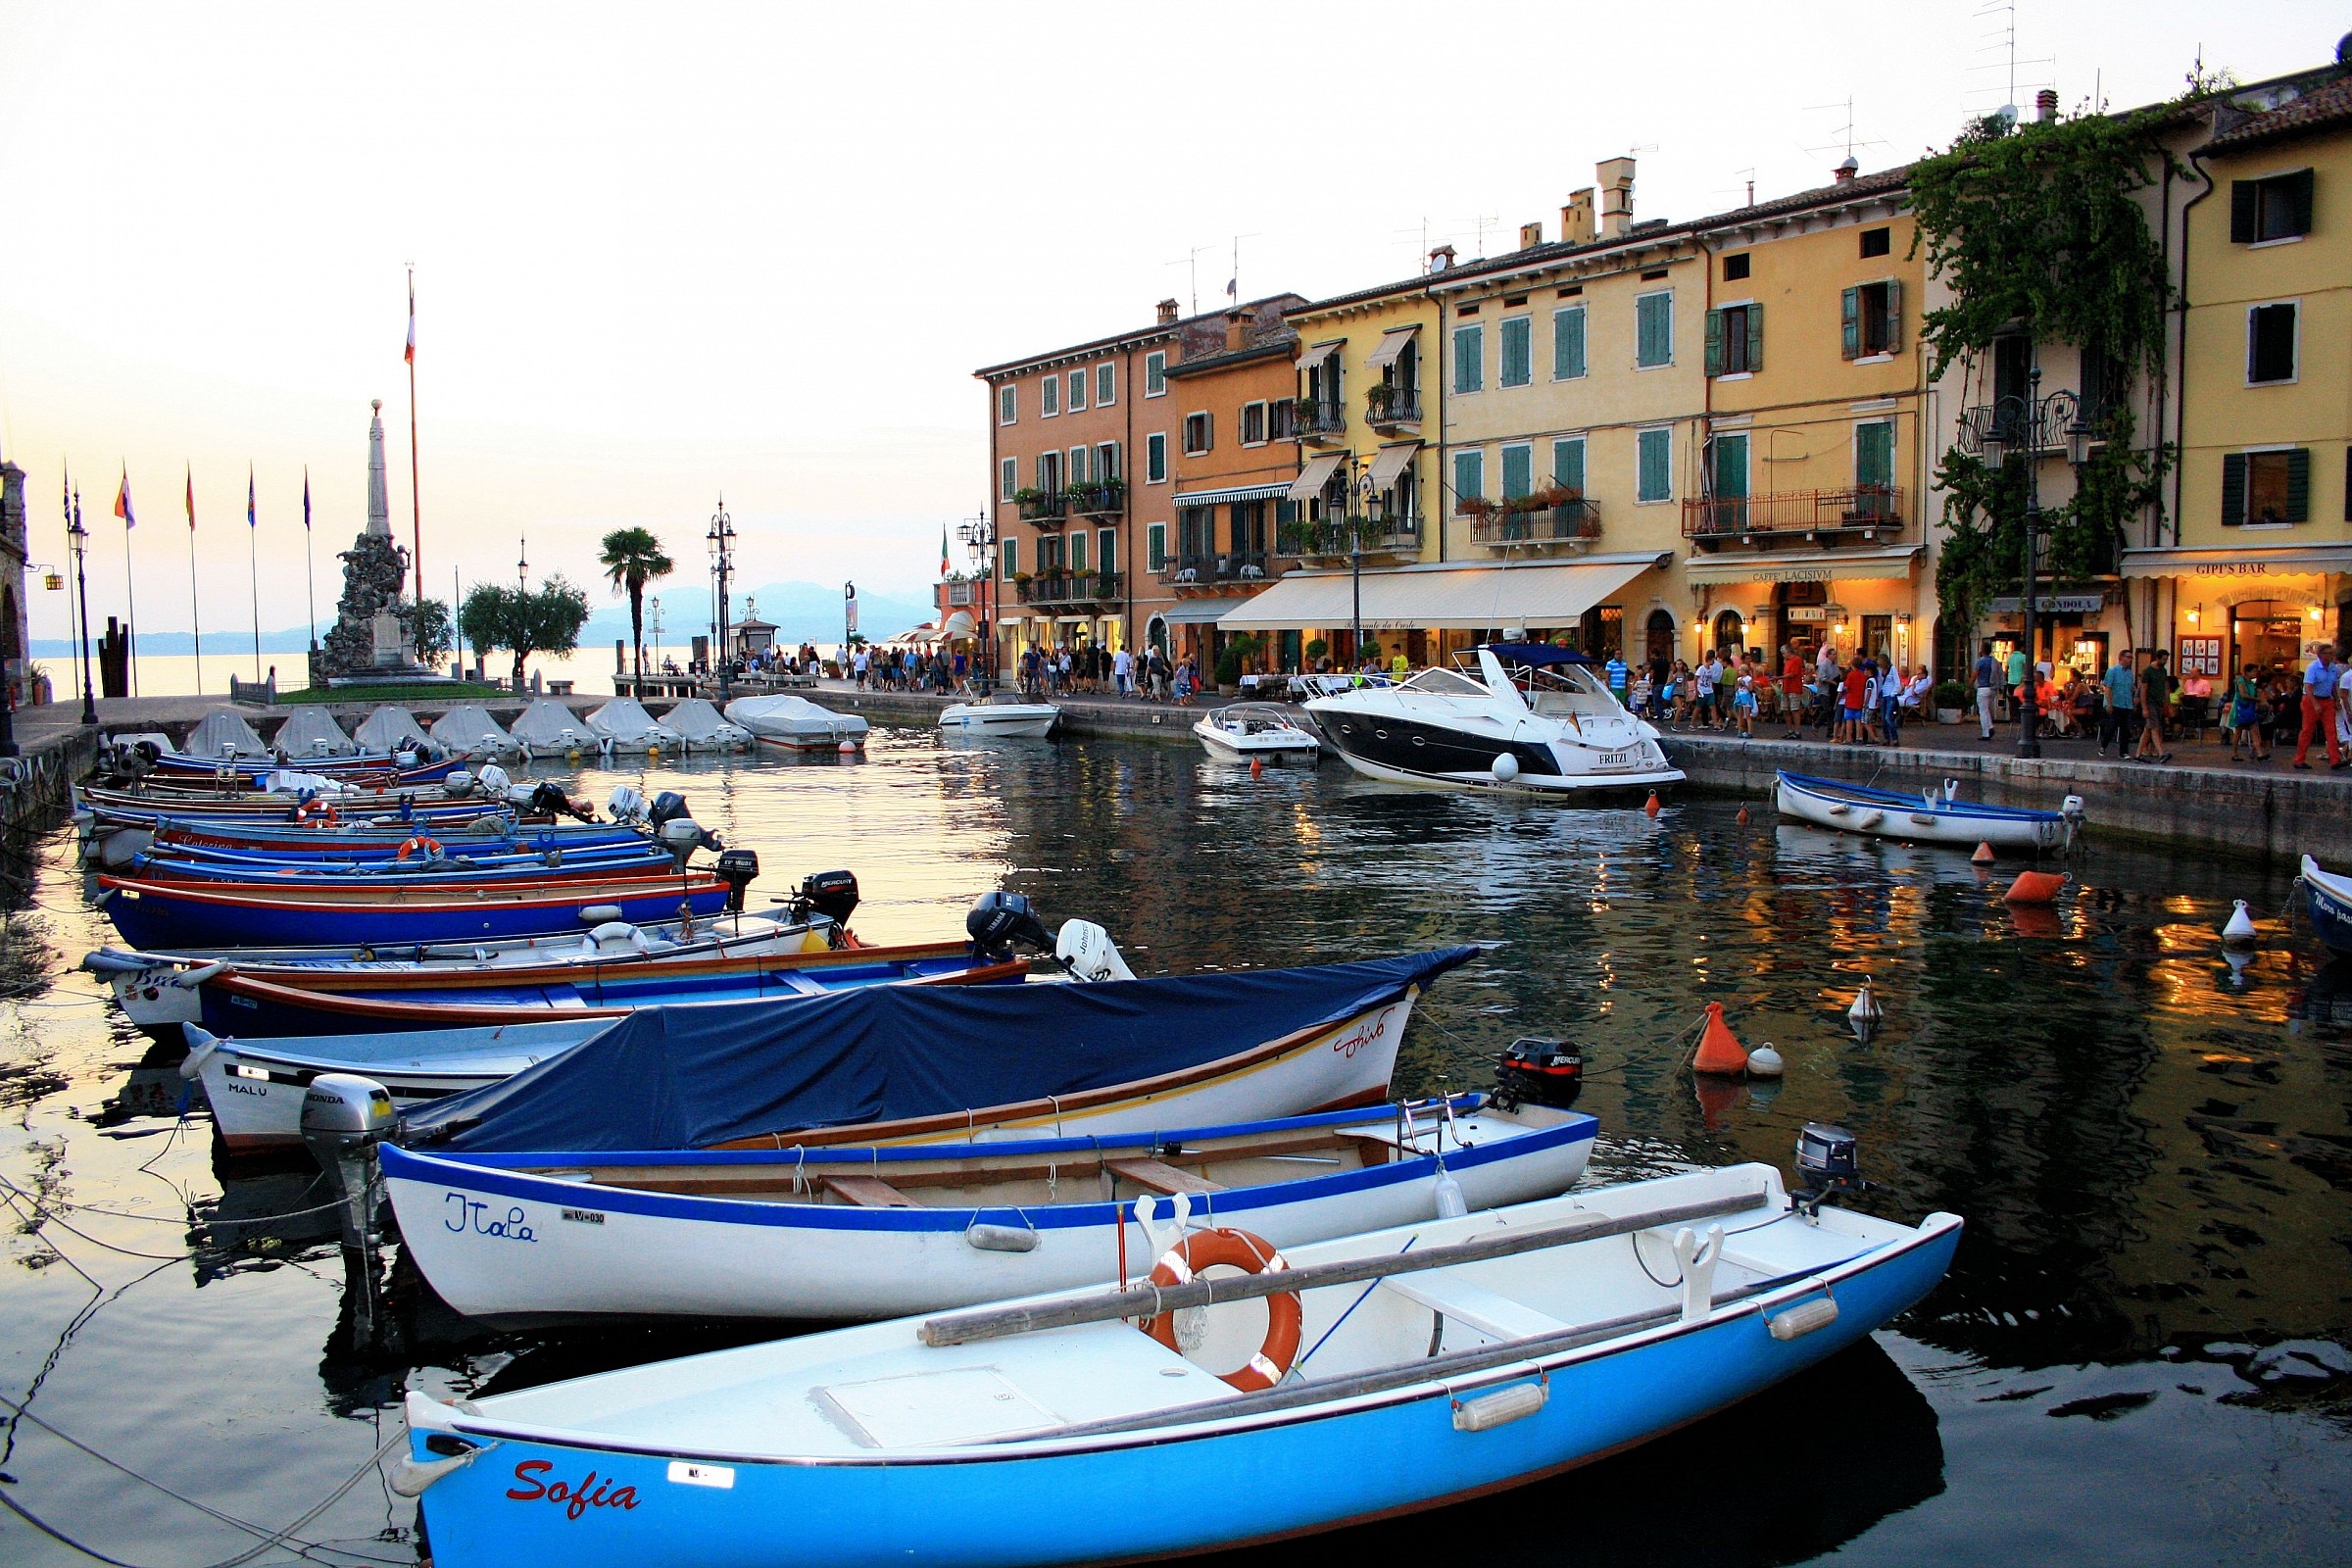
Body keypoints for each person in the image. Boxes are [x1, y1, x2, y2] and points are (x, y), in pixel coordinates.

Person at [2293, 642, 2344, 770]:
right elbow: (2308, 686)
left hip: (2327, 700)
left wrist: (2336, 699)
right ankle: (2299, 759)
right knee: (2307, 730)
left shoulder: (2333, 667)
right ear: (2321, 655)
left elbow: (2332, 684)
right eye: (2329, 653)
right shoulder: (2313, 667)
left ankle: (2335, 759)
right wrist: (2315, 704)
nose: (2331, 656)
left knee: (2331, 730)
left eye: (2332, 653)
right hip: (2311, 700)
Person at [2133, 650, 2173, 762]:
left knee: (2148, 729)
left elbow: (2165, 687)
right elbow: (2143, 690)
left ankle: (2138, 754)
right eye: (2164, 659)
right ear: (2158, 658)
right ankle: (2161, 753)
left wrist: (2166, 702)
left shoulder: (2163, 671)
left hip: (2159, 703)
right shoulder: (2148, 672)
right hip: (2150, 702)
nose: (2165, 662)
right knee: (2155, 728)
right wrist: (2144, 707)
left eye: (2166, 659)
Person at [2229, 662, 2271, 763]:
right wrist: (2256, 699)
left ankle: (2260, 753)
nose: (2255, 673)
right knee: (2238, 731)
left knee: (2255, 731)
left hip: (2250, 708)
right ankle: (2234, 753)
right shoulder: (2241, 681)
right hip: (2240, 708)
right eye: (2253, 671)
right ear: (2247, 672)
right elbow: (2243, 694)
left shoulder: (2252, 683)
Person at [2098, 649, 2135, 756]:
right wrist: (2109, 703)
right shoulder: (2112, 671)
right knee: (2112, 726)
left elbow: (2130, 687)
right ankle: (2103, 745)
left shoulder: (2129, 673)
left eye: (2130, 658)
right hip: (2115, 702)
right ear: (2121, 658)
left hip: (2126, 703)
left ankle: (2123, 752)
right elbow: (2108, 687)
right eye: (2127, 657)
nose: (2129, 660)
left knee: (2125, 728)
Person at [1973, 639, 2000, 741]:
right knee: (1986, 709)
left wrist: (1969, 685)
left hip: (1983, 688)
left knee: (1983, 711)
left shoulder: (1980, 662)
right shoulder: (1994, 661)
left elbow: (1975, 675)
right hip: (1992, 688)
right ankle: (1990, 727)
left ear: (1982, 650)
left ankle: (1986, 733)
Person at [2004, 642, 2029, 722]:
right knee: (2021, 700)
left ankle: (2013, 717)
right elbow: (2026, 669)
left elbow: (2006, 669)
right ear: (2021, 648)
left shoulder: (2010, 657)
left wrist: (2006, 679)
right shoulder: (2023, 657)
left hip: (2011, 681)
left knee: (2012, 700)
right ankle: (2021, 717)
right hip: (2020, 682)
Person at [1732, 671, 1756, 737]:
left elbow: (1750, 689)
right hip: (1739, 696)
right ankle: (1740, 731)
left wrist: (1744, 684)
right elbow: (1736, 689)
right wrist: (1739, 684)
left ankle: (1750, 732)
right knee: (1740, 715)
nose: (1739, 672)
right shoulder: (1738, 679)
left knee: (1747, 715)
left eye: (1740, 670)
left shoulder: (1748, 678)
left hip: (1746, 696)